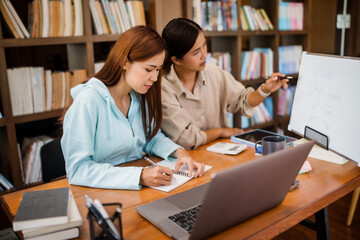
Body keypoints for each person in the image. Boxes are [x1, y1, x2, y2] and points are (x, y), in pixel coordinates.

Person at [61, 26, 204, 190]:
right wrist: (140, 176)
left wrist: (179, 153)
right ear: (124, 62)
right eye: (149, 69)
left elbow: (152, 138)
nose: (155, 78)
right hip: (99, 193)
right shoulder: (88, 101)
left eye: (158, 70)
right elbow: (78, 169)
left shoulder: (138, 96)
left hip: (135, 187)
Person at [161, 18, 289, 150]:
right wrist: (220, 132)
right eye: (196, 52)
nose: (204, 55)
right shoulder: (164, 88)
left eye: (204, 45)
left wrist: (265, 89)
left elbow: (243, 100)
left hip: (220, 152)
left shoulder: (214, 72)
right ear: (176, 59)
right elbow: (186, 139)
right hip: (185, 160)